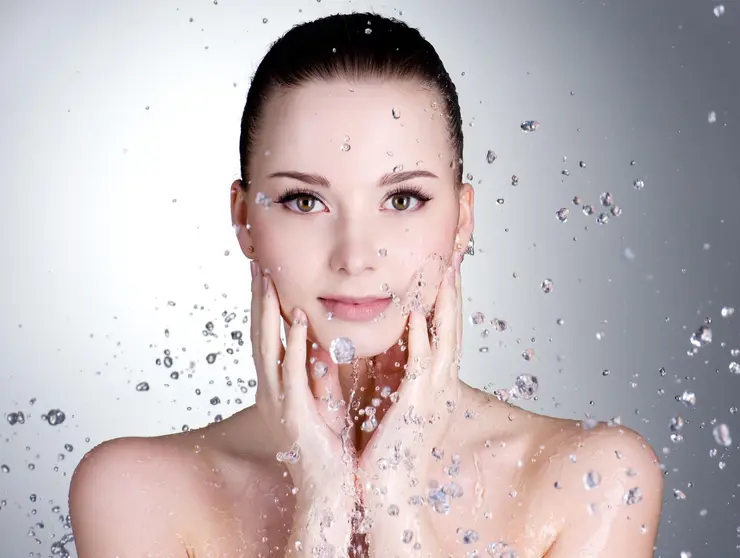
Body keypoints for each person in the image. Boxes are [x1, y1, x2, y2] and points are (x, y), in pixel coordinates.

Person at [68, 12, 664, 558]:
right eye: (306, 200)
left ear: (461, 222)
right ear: (245, 219)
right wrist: (322, 506)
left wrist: (394, 495)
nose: (355, 255)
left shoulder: (593, 479)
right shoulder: (135, 491)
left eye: (402, 199)